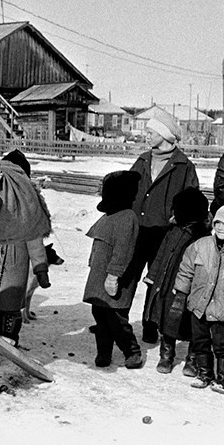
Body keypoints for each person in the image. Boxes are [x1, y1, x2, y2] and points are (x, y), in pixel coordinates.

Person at [0, 150, 51, 370]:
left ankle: (10, 343)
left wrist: (41, 267)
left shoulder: (26, 206)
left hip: (14, 263)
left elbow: (35, 239)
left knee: (10, 306)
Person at [130, 110, 198, 344]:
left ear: (164, 134)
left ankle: (150, 325)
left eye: (150, 132)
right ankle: (114, 321)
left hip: (164, 234)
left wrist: (177, 216)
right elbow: (128, 189)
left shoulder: (183, 166)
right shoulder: (142, 160)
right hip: (138, 229)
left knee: (156, 281)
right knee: (127, 275)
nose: (146, 136)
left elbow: (192, 198)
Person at [143, 187, 209, 374]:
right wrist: (152, 276)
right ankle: (166, 355)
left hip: (187, 287)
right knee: (167, 319)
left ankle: (192, 358)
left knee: (189, 321)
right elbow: (161, 255)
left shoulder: (201, 237)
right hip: (166, 285)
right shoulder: (172, 232)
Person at [84, 170, 144, 369]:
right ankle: (104, 353)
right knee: (100, 317)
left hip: (114, 279)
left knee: (116, 319)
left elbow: (123, 250)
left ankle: (132, 351)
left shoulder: (128, 218)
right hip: (99, 276)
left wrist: (113, 275)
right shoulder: (110, 214)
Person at [173, 204, 224, 392]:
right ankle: (204, 374)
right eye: (218, 223)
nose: (220, 227)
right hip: (199, 306)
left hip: (221, 309)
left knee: (221, 345)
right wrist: (180, 295)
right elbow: (185, 271)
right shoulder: (200, 245)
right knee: (200, 342)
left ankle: (222, 379)